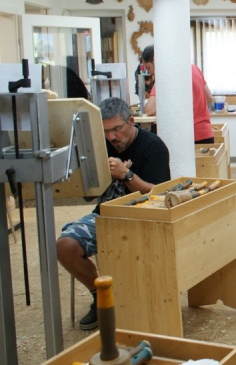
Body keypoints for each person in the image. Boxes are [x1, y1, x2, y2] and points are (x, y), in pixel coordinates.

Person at [56, 97, 171, 330]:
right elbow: (87, 196)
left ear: (131, 121)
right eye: (105, 131)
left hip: (143, 219)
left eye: (117, 129)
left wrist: (126, 175)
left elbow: (159, 194)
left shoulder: (153, 146)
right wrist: (90, 177)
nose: (111, 137)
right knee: (65, 246)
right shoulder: (99, 147)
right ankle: (101, 296)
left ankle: (145, 302)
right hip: (105, 216)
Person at [141, 45, 215, 144]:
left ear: (155, 60)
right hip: (206, 134)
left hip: (188, 137)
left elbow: (149, 110)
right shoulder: (193, 68)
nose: (150, 73)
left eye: (148, 68)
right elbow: (209, 97)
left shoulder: (167, 75)